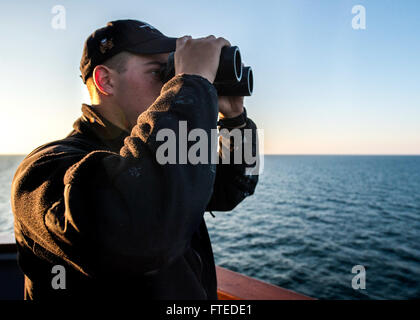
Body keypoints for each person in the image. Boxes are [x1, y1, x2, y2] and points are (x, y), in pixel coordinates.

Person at [11, 19, 259, 300]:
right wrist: (191, 84)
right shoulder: (44, 170)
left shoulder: (159, 153)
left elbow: (233, 189)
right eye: (159, 72)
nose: (170, 85)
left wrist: (235, 120)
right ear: (106, 80)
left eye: (173, 73)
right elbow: (140, 229)